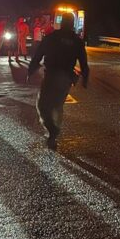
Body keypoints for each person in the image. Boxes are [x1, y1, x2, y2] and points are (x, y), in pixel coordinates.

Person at [27, 12, 88, 149]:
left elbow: (38, 56)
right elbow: (83, 62)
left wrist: (31, 71)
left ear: (61, 23)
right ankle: (53, 136)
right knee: (58, 105)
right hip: (66, 78)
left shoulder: (51, 38)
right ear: (72, 24)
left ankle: (52, 130)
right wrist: (85, 77)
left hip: (51, 76)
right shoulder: (77, 41)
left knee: (42, 106)